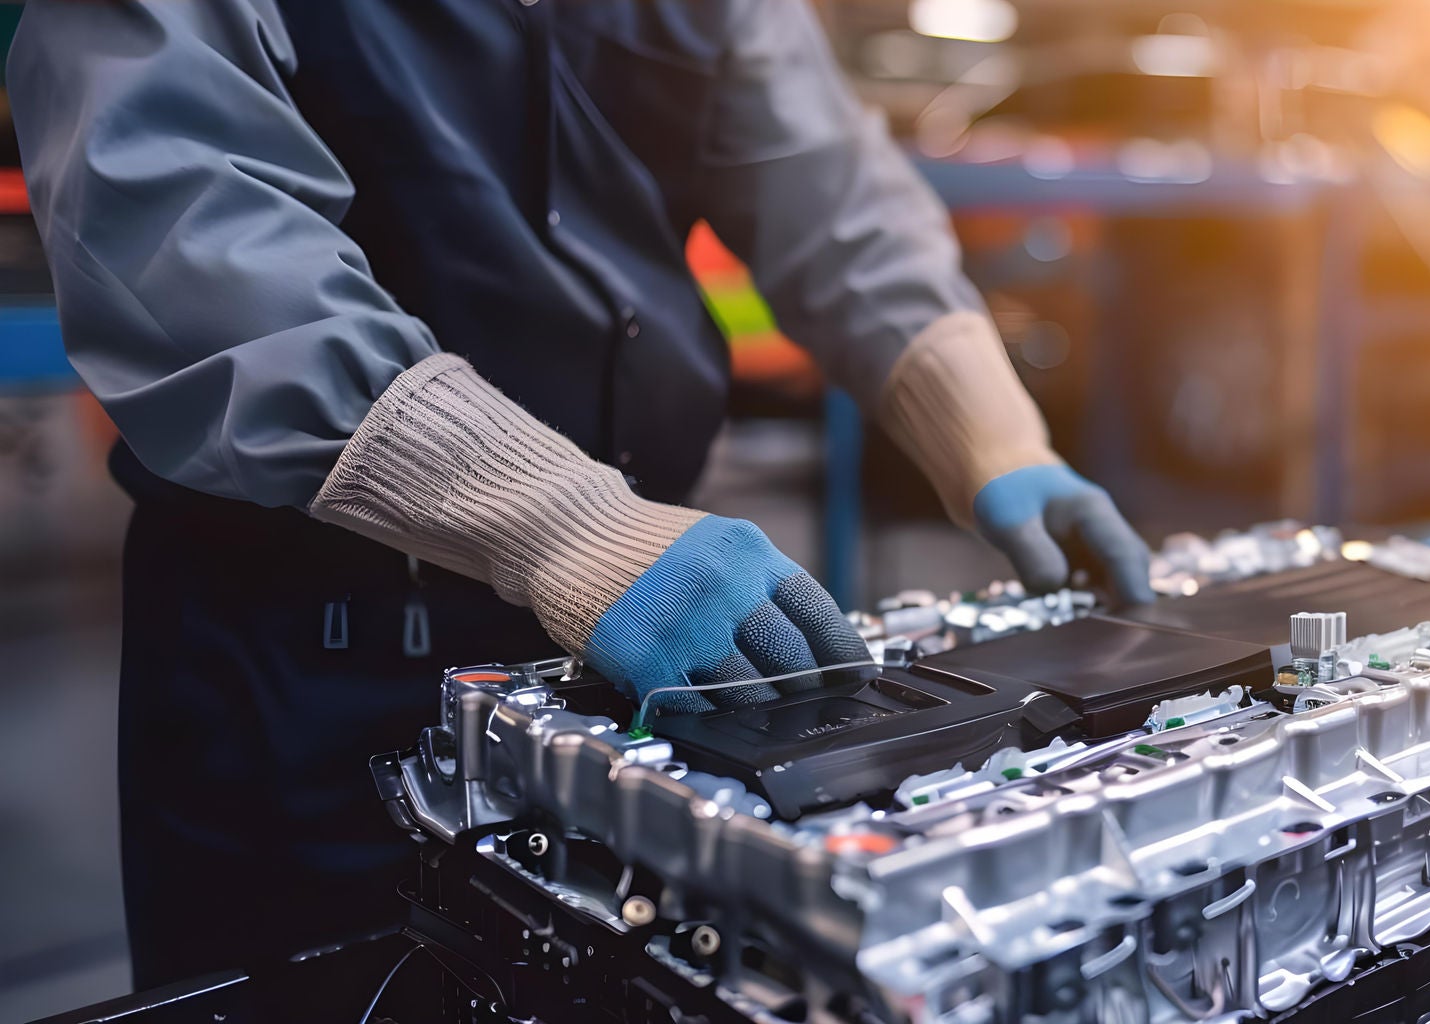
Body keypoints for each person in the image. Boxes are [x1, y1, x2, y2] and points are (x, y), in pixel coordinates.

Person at [10, 0, 1152, 990]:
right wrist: (565, 522)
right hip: (304, 667)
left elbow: (831, 195)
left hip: (635, 647)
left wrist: (988, 431)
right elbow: (181, 226)